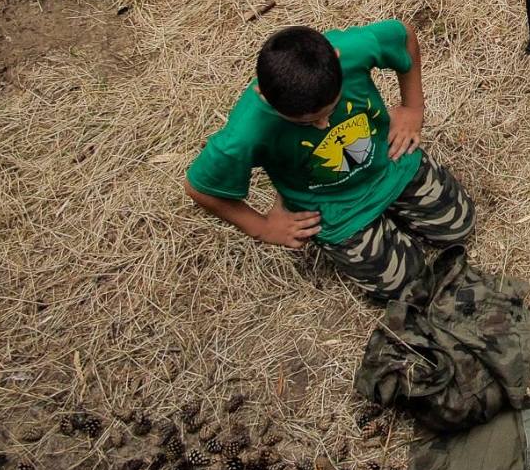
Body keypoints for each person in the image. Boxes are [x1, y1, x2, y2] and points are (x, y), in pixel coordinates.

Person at [184, 19, 473, 301]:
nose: (323, 124)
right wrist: (261, 228)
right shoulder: (246, 131)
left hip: (389, 162)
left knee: (459, 226)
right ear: (265, 97)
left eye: (330, 110)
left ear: (336, 56)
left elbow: (403, 35)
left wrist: (412, 107)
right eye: (306, 121)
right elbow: (200, 187)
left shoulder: (352, 49)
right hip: (334, 208)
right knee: (408, 284)